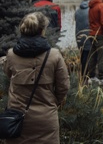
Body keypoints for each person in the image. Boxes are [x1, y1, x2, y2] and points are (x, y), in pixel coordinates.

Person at [4, 12, 69, 142]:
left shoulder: (11, 55)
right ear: (42, 30)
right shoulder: (54, 55)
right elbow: (63, 87)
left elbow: (8, 74)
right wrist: (52, 103)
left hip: (17, 120)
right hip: (46, 119)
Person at [74, 0, 92, 78]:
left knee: (82, 54)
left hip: (79, 35)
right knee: (87, 55)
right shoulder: (90, 10)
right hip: (88, 35)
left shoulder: (77, 11)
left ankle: (82, 72)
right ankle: (86, 74)